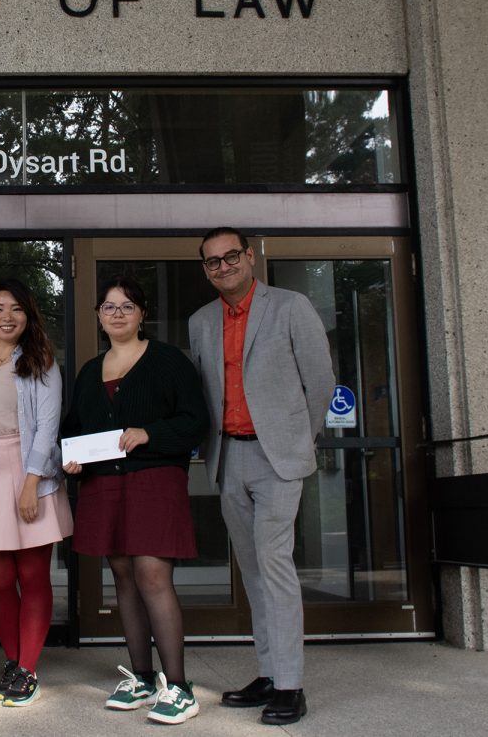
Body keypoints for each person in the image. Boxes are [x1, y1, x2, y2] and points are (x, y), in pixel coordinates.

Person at [188, 227, 334, 726]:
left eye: (231, 256)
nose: (223, 266)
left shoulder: (290, 307)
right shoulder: (201, 321)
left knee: (275, 565)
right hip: (229, 457)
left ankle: (291, 684)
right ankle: (270, 672)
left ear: (249, 256)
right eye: (212, 262)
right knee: (251, 570)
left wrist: (297, 441)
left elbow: (320, 383)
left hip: (277, 459)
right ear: (205, 269)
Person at [61, 275, 208, 725]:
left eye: (127, 306)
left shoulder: (168, 361)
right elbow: (73, 428)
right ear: (99, 317)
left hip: (154, 478)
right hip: (105, 483)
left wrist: (151, 433)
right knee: (122, 575)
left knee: (152, 575)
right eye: (109, 306)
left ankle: (179, 687)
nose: (118, 313)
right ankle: (142, 677)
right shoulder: (90, 369)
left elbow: (195, 420)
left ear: (142, 313)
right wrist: (73, 459)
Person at [0, 279, 73, 707]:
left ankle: (27, 669)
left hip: (28, 472)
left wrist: (32, 483)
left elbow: (47, 426)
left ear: (27, 317)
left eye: (17, 309)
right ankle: (13, 659)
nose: (8, 317)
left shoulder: (40, 361)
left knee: (32, 574)